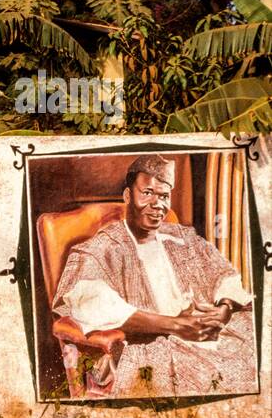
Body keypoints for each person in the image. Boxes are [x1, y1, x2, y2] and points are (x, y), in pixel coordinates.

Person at [53, 153, 257, 398]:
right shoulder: (102, 248)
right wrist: (175, 326)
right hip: (148, 346)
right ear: (128, 196)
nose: (157, 204)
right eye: (147, 193)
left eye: (163, 196)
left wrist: (224, 307)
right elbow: (92, 301)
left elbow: (223, 273)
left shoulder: (182, 237)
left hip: (202, 334)